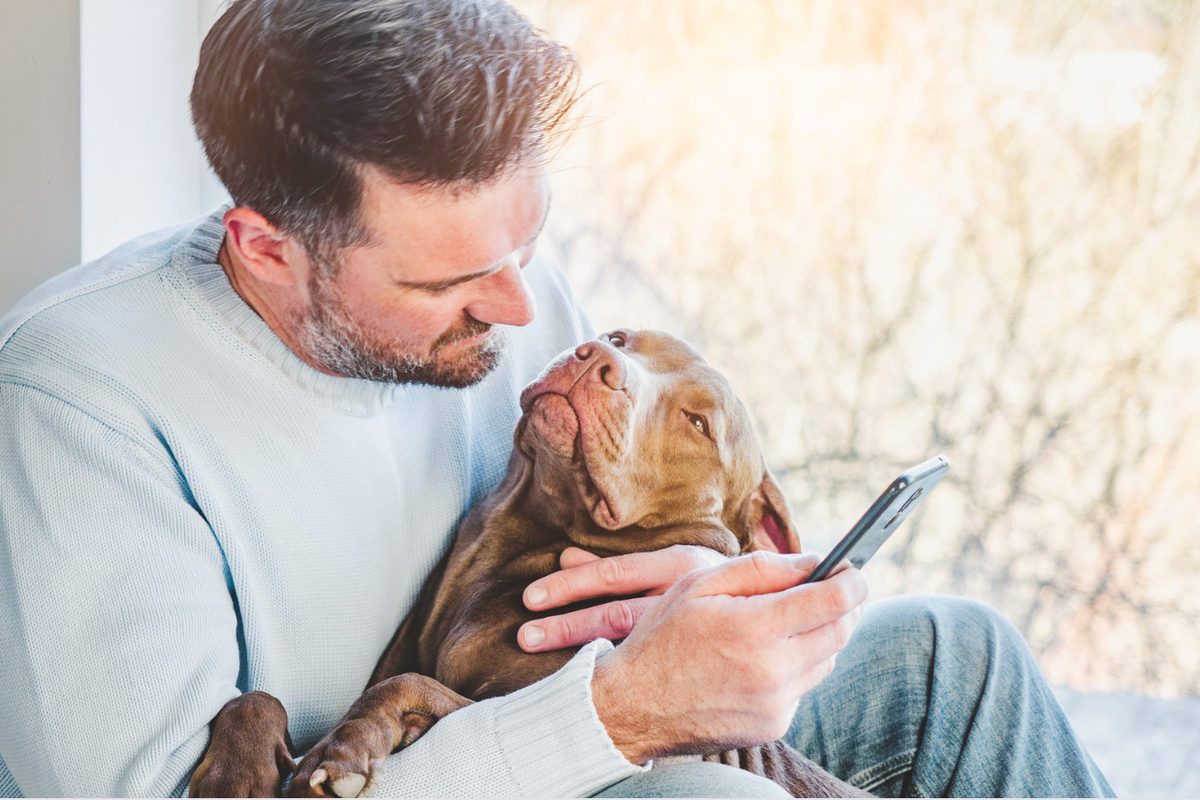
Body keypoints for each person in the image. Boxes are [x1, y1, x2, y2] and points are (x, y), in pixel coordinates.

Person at [0, 0, 1112, 797]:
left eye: (526, 241)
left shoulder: (503, 303)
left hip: (545, 705)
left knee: (951, 659)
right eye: (448, 281)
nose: (527, 306)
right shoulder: (80, 406)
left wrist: (694, 589)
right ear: (269, 248)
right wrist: (621, 713)